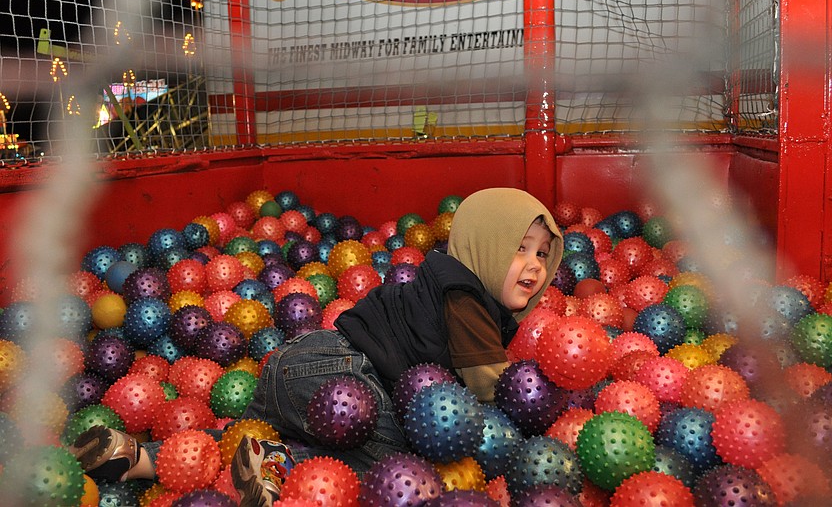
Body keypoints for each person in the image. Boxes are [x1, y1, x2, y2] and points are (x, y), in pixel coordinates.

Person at [70, 187, 564, 506]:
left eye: (543, 254)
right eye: (518, 249)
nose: (534, 266)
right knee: (397, 463)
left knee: (249, 435)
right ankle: (279, 466)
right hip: (346, 378)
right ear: (485, 246)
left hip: (297, 359)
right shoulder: (467, 297)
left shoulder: (438, 277)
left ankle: (138, 457)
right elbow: (490, 387)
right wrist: (541, 422)